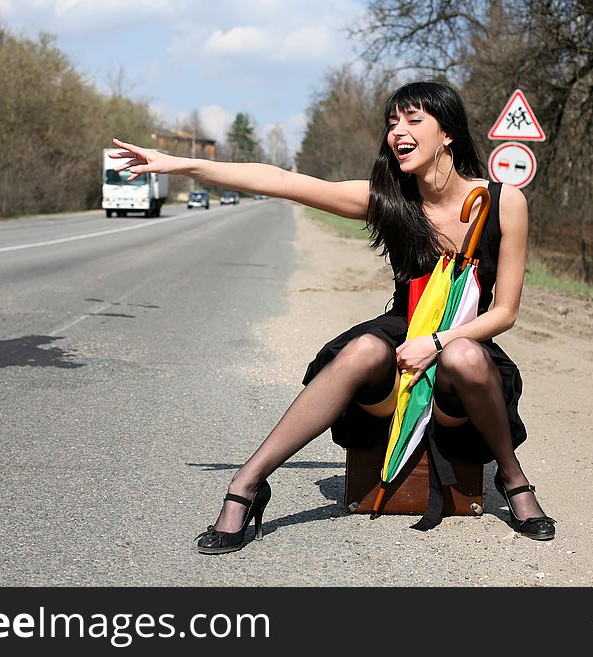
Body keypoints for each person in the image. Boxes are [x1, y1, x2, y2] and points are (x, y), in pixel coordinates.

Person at [110, 81, 555, 553]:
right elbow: (282, 181)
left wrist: (440, 342)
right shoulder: (390, 201)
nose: (397, 132)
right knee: (362, 348)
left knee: (464, 356)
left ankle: (512, 478)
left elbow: (504, 311)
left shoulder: (505, 202)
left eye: (412, 120)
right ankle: (248, 483)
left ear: (447, 133)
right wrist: (180, 165)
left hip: (463, 344)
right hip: (402, 335)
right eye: (391, 123)